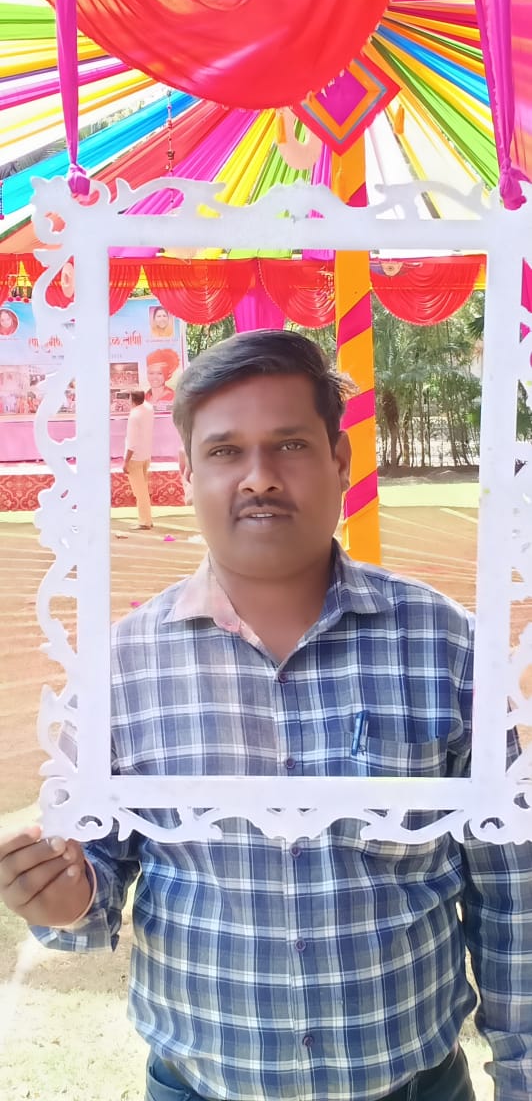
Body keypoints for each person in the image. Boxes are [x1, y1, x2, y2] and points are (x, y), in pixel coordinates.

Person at [0, 330, 531, 1101]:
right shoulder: (120, 667)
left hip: (416, 1082)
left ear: (340, 462)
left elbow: (512, 894)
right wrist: (61, 895)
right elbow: (94, 886)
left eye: (289, 445)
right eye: (225, 451)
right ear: (187, 474)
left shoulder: (448, 647)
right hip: (197, 1084)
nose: (259, 478)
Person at [123, 389, 154, 530]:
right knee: (143, 490)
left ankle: (144, 522)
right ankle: (147, 519)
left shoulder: (134, 416)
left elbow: (132, 443)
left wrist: (126, 462)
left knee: (140, 493)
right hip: (146, 455)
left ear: (132, 400)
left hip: (135, 458)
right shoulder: (148, 408)